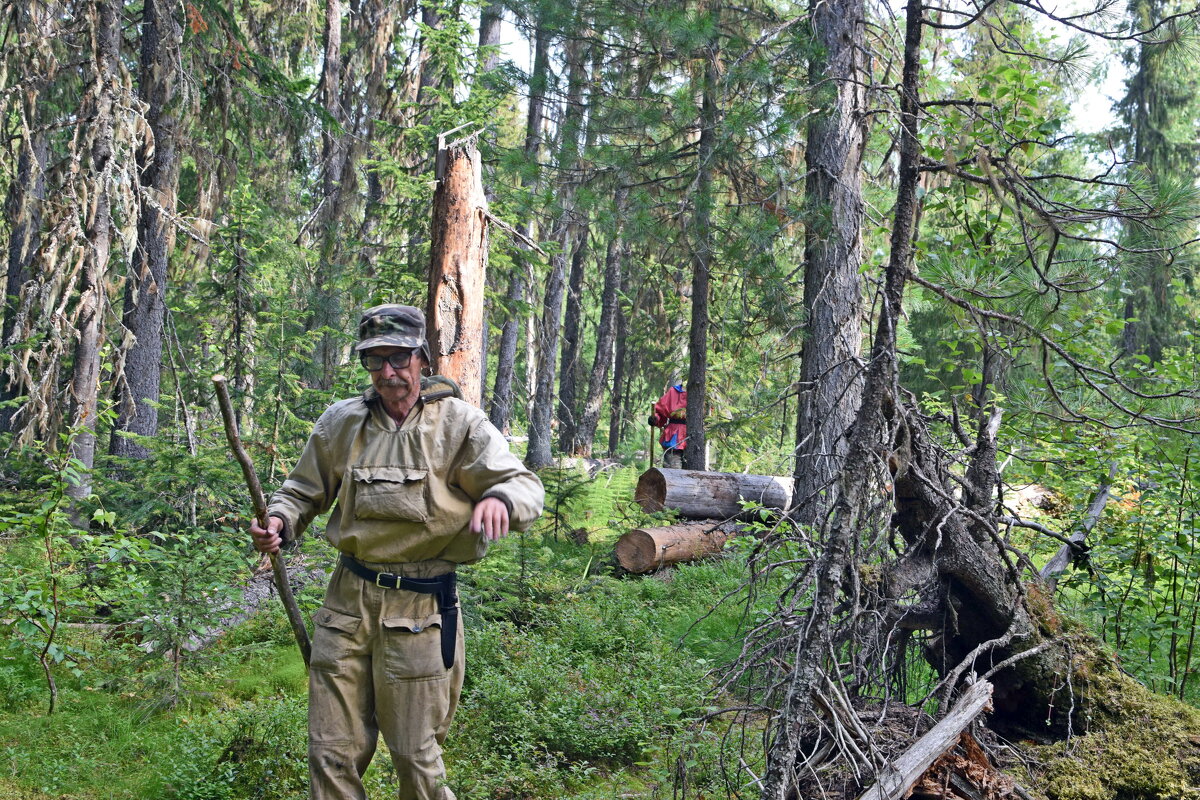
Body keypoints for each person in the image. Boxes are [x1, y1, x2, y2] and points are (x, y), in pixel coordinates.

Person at [249, 304, 544, 800]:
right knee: (330, 751)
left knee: (415, 755)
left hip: (421, 607)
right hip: (348, 599)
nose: (388, 371)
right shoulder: (342, 422)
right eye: (375, 359)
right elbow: (301, 491)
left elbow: (524, 486)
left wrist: (500, 499)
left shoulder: (459, 425)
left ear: (422, 357)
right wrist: (278, 519)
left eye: (399, 357)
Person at [649, 381, 687, 469]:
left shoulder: (703, 392)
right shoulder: (673, 391)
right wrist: (655, 419)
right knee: (672, 468)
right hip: (674, 435)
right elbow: (660, 411)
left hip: (694, 435)